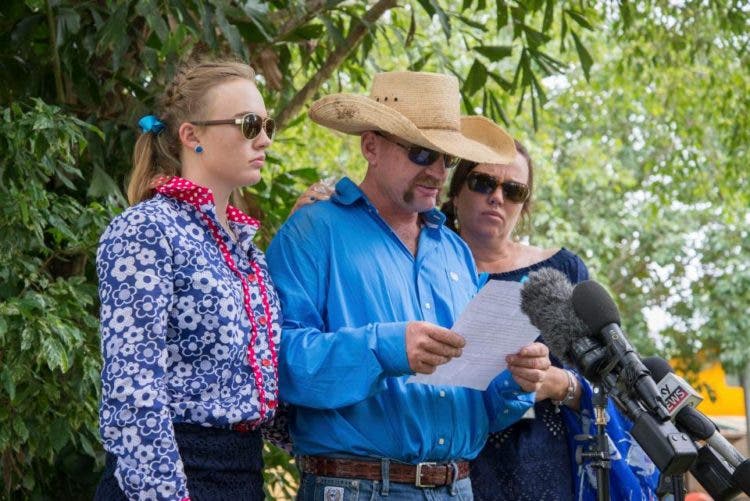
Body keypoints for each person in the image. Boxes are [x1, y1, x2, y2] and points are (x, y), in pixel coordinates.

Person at [266, 71, 552, 501]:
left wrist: (515, 379)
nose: (437, 171)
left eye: (447, 159)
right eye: (422, 153)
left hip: (457, 487)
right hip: (354, 487)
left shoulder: (454, 252)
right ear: (371, 146)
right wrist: (386, 348)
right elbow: (279, 365)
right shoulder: (312, 231)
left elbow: (482, 402)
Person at [95, 59, 281, 500]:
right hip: (172, 476)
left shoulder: (248, 253)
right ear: (191, 135)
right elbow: (132, 390)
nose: (266, 139)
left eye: (267, 124)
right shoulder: (146, 231)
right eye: (249, 124)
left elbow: (265, 387)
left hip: (243, 475)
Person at [441, 139, 660, 500]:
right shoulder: (423, 265)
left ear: (524, 204)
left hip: (545, 463)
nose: (497, 197)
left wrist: (560, 384)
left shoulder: (560, 270)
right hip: (447, 464)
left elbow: (606, 384)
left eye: (513, 190)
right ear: (456, 190)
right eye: (483, 183)